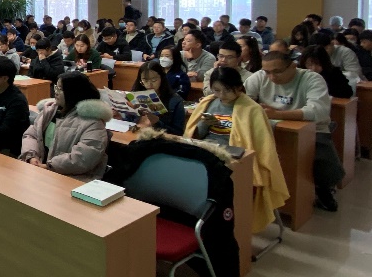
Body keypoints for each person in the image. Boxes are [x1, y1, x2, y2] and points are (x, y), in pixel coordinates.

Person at [184, 66, 289, 232]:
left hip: (235, 155)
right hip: (209, 148)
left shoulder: (252, 109)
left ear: (238, 88)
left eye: (227, 90)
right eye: (216, 90)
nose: (221, 95)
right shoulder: (208, 103)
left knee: (214, 175)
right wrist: (204, 123)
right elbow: (195, 135)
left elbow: (258, 144)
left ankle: (218, 219)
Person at [245, 51, 344, 211]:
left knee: (319, 158)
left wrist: (278, 114)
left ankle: (323, 190)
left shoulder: (311, 79)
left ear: (292, 66)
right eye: (267, 72)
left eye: (277, 71)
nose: (271, 77)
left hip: (311, 128)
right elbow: (243, 99)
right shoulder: (259, 77)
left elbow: (318, 111)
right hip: (270, 126)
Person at [19, 71, 111, 177]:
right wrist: (31, 157)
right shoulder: (51, 111)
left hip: (72, 177)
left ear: (74, 92)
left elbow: (83, 158)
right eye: (56, 87)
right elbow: (31, 135)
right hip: (39, 169)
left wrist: (49, 166)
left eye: (60, 89)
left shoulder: (93, 122)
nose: (56, 92)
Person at [133, 61, 187, 135]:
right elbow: (129, 121)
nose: (149, 84)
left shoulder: (175, 101)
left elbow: (178, 132)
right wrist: (120, 116)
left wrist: (157, 122)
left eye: (154, 80)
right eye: (145, 80)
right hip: (136, 134)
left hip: (159, 138)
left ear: (162, 78)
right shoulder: (136, 96)